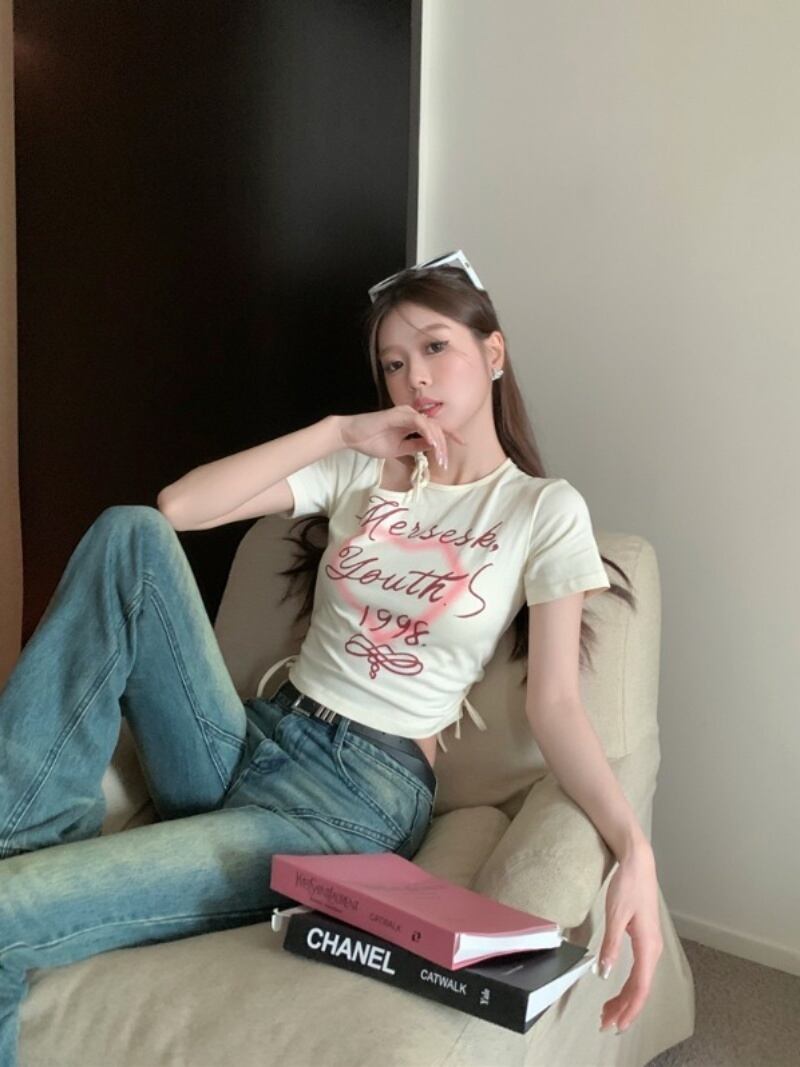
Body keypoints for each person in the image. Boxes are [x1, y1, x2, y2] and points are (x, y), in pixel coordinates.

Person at [0, 250, 662, 1063]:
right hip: (249, 737)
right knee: (128, 532)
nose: (415, 376)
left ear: (493, 352)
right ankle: (19, 829)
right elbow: (178, 506)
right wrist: (340, 432)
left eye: (435, 346)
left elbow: (554, 705)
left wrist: (634, 846)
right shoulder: (365, 465)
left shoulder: (541, 509)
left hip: (350, 802)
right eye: (394, 362)